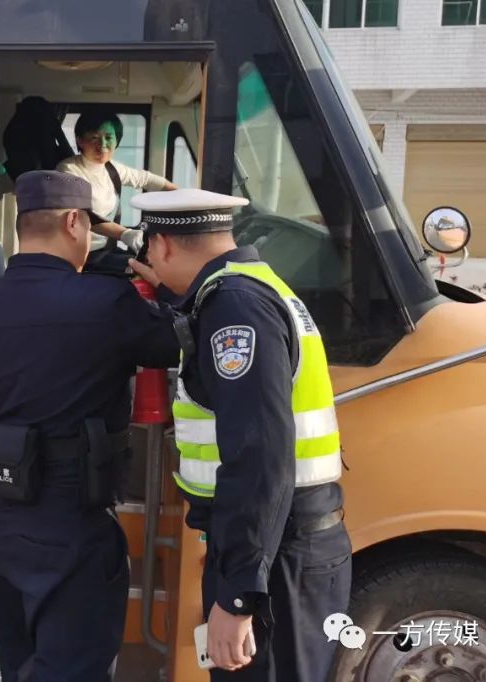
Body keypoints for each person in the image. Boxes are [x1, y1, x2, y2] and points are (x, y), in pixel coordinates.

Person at [0, 170, 179, 682]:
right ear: (75, 222)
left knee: (21, 666)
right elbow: (172, 344)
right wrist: (165, 287)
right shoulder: (106, 302)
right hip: (68, 530)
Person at [127, 188, 349, 681]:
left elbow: (259, 459)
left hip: (272, 561)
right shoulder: (248, 285)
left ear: (162, 245)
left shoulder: (233, 309)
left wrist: (238, 595)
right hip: (277, 547)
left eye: (149, 252)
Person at [56, 109, 176, 275]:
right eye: (94, 138)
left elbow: (145, 179)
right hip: (81, 255)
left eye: (108, 137)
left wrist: (180, 194)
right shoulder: (69, 170)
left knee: (155, 262)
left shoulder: (111, 169)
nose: (103, 145)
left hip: (106, 250)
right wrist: (125, 233)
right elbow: (83, 215)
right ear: (80, 140)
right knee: (144, 271)